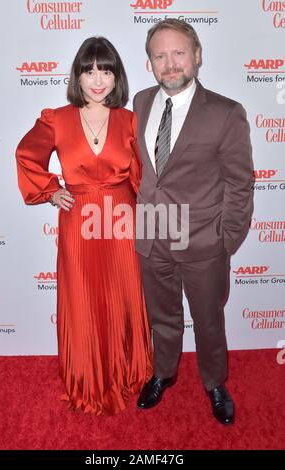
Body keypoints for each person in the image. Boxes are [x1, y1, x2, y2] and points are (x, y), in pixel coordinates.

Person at [16, 37, 152, 415]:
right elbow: (26, 154)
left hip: (121, 219)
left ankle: (129, 372)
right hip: (78, 220)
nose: (97, 79)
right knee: (83, 299)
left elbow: (146, 174)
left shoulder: (130, 120)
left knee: (124, 296)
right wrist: (50, 190)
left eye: (105, 70)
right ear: (77, 75)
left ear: (116, 76)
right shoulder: (56, 119)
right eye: (88, 70)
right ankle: (88, 379)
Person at [133, 19, 254, 424]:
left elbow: (240, 183)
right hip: (151, 237)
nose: (170, 64)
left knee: (208, 320)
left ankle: (215, 382)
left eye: (179, 53)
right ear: (149, 62)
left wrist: (227, 239)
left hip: (204, 243)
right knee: (161, 316)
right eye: (160, 56)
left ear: (197, 56)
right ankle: (163, 373)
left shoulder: (226, 112)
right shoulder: (141, 102)